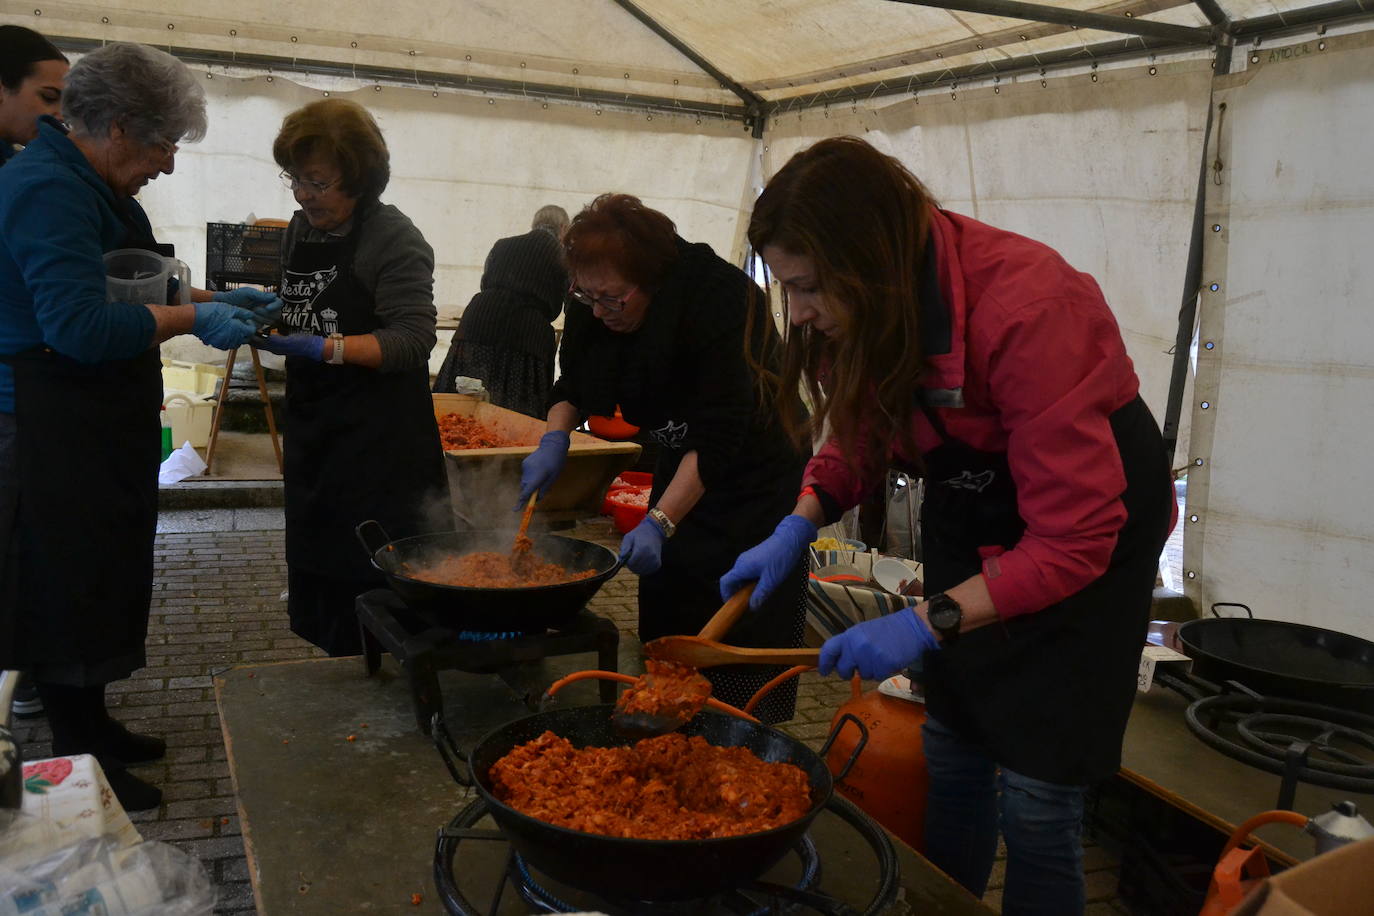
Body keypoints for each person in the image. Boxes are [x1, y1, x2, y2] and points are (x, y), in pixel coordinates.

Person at [720, 137, 1174, 914]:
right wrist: (801, 521)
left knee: (1036, 800)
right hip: (975, 508)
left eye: (808, 288)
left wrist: (930, 621)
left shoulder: (1032, 309)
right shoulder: (865, 310)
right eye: (785, 288)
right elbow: (862, 429)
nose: (797, 312)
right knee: (953, 752)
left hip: (1087, 542)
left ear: (867, 261)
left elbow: (1073, 540)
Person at [0, 42, 279, 811]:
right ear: (119, 127)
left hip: (94, 414)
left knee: (102, 576)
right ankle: (76, 754)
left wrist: (218, 292)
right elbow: (81, 325)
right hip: (48, 417)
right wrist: (195, 316)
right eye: (164, 145)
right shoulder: (46, 189)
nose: (168, 165)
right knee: (65, 585)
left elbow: (128, 277)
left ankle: (96, 723)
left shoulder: (91, 183)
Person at [517, 193, 810, 723]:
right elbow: (575, 379)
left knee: (736, 602)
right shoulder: (593, 295)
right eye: (588, 298)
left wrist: (659, 520)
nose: (600, 311)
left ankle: (743, 728)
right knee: (670, 591)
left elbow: (722, 431)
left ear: (650, 278)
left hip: (757, 471)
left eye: (614, 300)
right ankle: (670, 713)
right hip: (685, 456)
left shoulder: (720, 297)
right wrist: (554, 439)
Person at [255, 98, 448, 657]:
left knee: (378, 573)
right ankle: (337, 676)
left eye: (317, 182)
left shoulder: (394, 238)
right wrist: (260, 312)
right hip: (317, 431)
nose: (302, 195)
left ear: (360, 177)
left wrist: (326, 346)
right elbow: (301, 303)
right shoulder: (298, 230)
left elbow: (413, 339)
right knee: (321, 564)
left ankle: (387, 681)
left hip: (380, 442)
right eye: (296, 178)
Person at [0, 24, 68, 721]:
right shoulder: (25, 182)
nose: (57, 114)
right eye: (47, 96)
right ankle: (16, 681)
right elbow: (70, 314)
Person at [433, 205, 570, 418]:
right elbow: (565, 298)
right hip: (528, 334)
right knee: (513, 413)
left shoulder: (502, 245)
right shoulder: (563, 256)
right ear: (563, 228)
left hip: (479, 322)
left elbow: (486, 282)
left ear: (534, 225)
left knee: (460, 403)